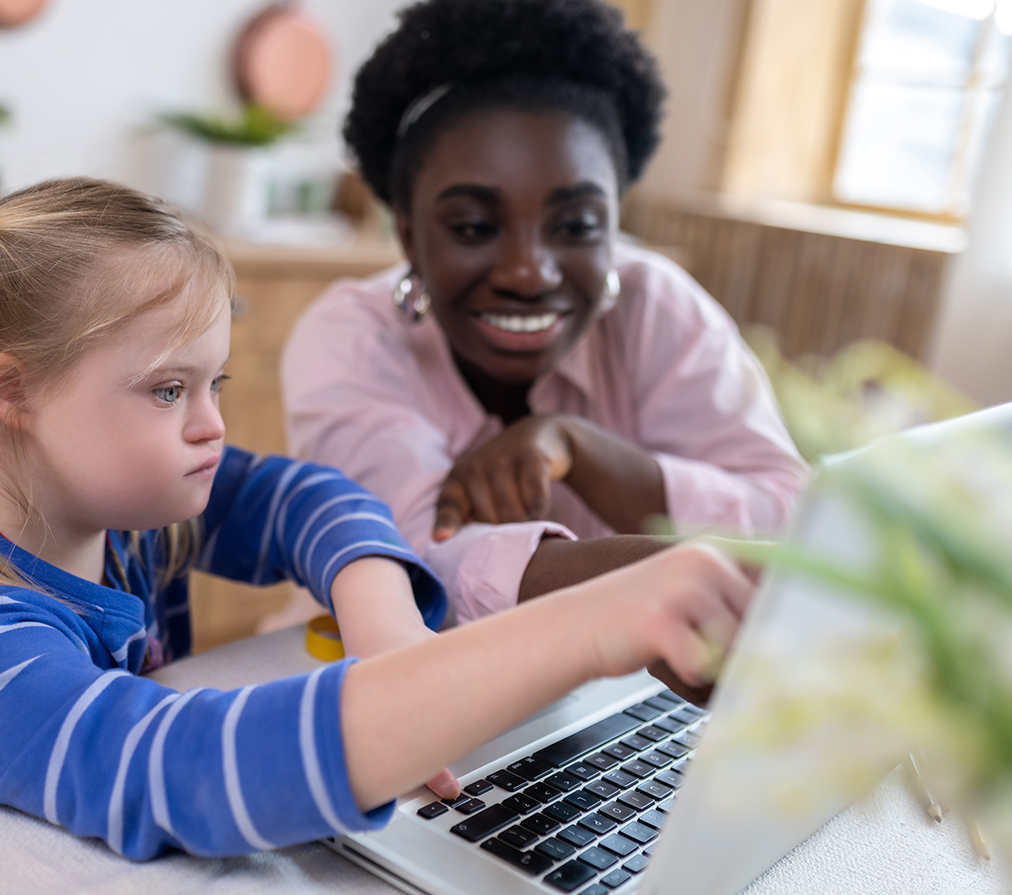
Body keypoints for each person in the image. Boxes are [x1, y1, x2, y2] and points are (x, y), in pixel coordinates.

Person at [0, 177, 755, 860]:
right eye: (167, 390)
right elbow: (178, 768)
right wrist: (582, 627)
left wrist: (384, 618)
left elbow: (301, 497)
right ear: (14, 393)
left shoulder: (111, 506)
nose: (212, 425)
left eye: (214, 383)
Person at [282, 0, 809, 626]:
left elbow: (792, 515)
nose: (529, 273)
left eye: (576, 225)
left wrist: (584, 451)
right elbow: (415, 561)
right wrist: (680, 581)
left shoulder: (655, 307)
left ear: (615, 226)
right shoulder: (348, 340)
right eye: (475, 226)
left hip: (622, 693)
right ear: (406, 235)